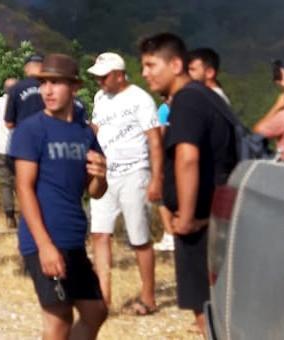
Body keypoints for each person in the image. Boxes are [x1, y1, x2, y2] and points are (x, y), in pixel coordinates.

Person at [140, 33, 235, 334]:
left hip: (201, 224)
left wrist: (187, 216)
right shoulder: (206, 95)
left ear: (176, 64)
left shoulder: (187, 101)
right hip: (218, 213)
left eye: (151, 65)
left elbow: (187, 158)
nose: (145, 73)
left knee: (207, 314)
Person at [11, 53, 109, 340]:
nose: (47, 90)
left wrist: (101, 175)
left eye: (56, 83)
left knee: (96, 311)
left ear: (75, 87)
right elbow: (24, 188)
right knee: (58, 322)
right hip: (44, 239)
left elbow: (95, 192)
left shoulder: (84, 133)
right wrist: (44, 245)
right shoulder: (31, 130)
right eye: (43, 83)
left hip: (73, 239)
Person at [86, 52, 162, 317]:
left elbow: (154, 139)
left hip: (134, 173)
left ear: (119, 74)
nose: (100, 82)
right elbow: (95, 129)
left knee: (139, 237)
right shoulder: (99, 98)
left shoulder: (140, 99)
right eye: (96, 77)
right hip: (104, 173)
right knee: (99, 233)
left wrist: (156, 178)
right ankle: (103, 300)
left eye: (104, 77)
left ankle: (149, 297)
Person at [0, 76, 18, 229]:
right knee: (20, 183)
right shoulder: (17, 103)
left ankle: (9, 216)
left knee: (5, 184)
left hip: (0, 147)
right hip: (15, 148)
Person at [152, 94, 175, 254]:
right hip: (173, 157)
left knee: (162, 198)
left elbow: (160, 134)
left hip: (169, 158)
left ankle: (170, 235)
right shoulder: (167, 109)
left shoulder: (165, 109)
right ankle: (171, 234)